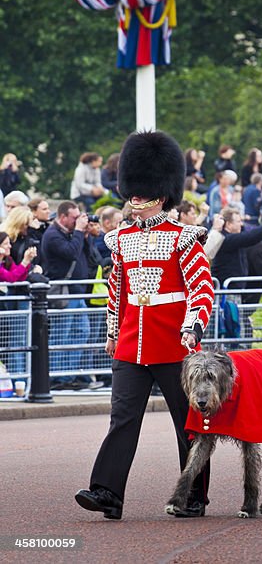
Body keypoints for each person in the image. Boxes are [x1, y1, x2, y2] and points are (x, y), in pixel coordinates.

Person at [75, 130, 214, 520]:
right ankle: (107, 492)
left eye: (142, 191)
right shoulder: (120, 239)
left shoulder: (185, 238)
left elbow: (201, 289)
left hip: (174, 343)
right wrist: (112, 333)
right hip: (133, 344)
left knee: (187, 423)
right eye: (132, 191)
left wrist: (193, 327)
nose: (135, 198)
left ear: (162, 192)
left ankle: (193, 496)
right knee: (122, 420)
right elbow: (116, 290)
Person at [42, 201, 100, 391]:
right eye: (74, 218)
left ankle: (69, 375)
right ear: (63, 217)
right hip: (64, 294)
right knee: (61, 336)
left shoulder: (73, 233)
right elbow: (70, 254)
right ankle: (55, 378)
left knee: (81, 332)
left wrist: (84, 234)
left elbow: (89, 255)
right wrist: (78, 232)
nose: (77, 221)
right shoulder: (52, 235)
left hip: (78, 292)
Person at [210, 208, 262, 288]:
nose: (242, 224)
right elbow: (251, 236)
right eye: (238, 221)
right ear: (228, 224)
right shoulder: (225, 240)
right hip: (227, 291)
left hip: (235, 289)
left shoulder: (235, 238)